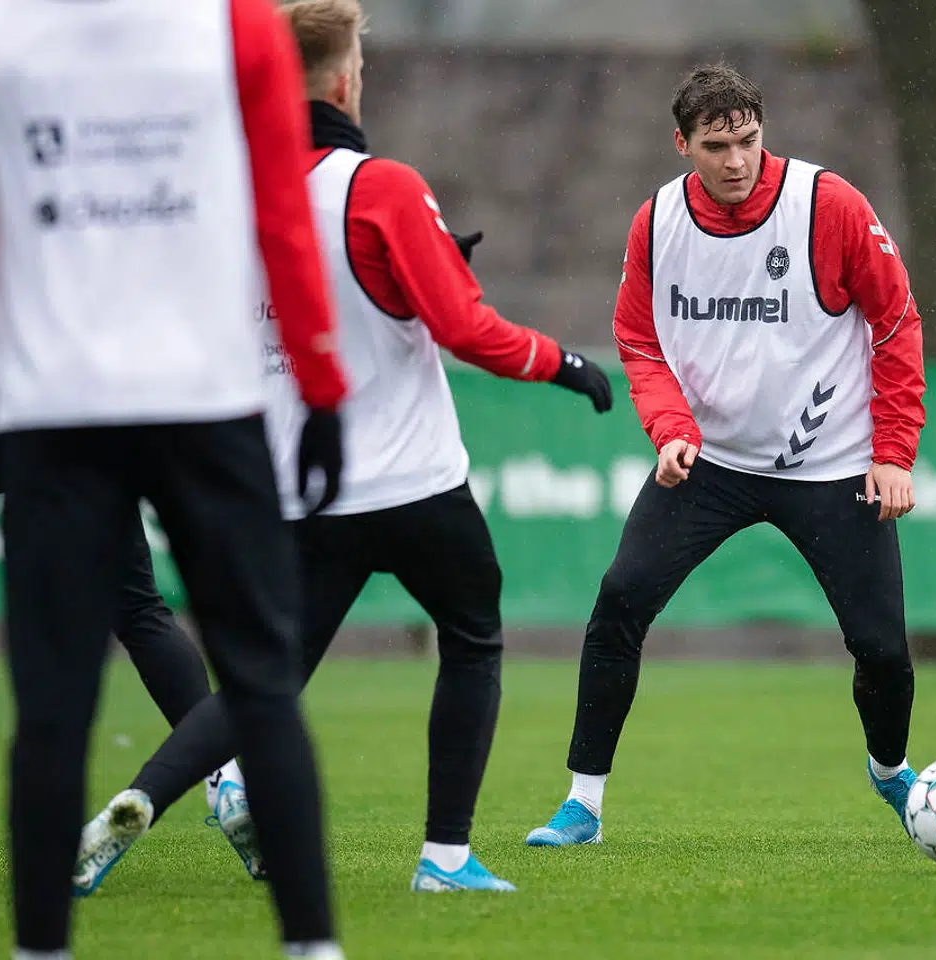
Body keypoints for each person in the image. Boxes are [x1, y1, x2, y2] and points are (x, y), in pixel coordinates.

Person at [76, 0, 614, 896]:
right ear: (344, 77)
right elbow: (462, 326)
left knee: (261, 685)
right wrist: (567, 365)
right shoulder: (383, 186)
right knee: (474, 639)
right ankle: (445, 857)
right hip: (415, 483)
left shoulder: (226, 196)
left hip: (307, 490)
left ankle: (135, 800)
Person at [0, 0, 352, 956]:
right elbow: (279, 211)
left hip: (55, 408)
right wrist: (319, 385)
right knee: (263, 684)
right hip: (204, 402)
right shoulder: (235, 24)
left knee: (53, 708)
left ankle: (38, 948)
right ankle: (312, 944)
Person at [525, 63, 926, 847]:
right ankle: (583, 804)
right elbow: (638, 340)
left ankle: (888, 769)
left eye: (747, 140)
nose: (736, 160)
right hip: (709, 466)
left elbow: (896, 322)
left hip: (832, 465)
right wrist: (671, 430)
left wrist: (895, 451)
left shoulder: (830, 204)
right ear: (682, 145)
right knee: (618, 604)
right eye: (716, 146)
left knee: (881, 648)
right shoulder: (657, 222)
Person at [0, 252, 215, 735]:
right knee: (138, 608)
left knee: (123, 608)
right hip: (61, 387)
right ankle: (226, 776)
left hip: (37, 378)